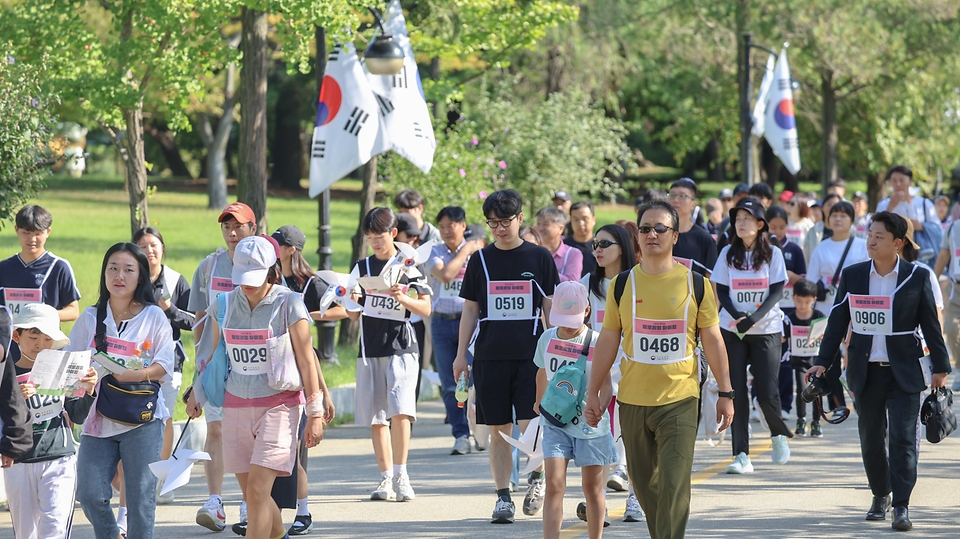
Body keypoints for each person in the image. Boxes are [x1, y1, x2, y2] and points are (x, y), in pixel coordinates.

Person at [586, 199, 734, 539]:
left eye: (660, 228)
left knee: (674, 483)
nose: (652, 234)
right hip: (633, 400)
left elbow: (713, 341)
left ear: (675, 236)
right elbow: (608, 340)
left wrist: (726, 393)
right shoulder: (622, 284)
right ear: (637, 236)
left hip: (681, 399)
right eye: (645, 229)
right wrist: (593, 392)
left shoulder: (696, 284)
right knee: (646, 485)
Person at [806, 212, 949, 532]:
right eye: (869, 233)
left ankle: (901, 505)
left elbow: (930, 324)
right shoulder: (853, 275)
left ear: (897, 244)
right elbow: (837, 321)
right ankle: (879, 494)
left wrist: (941, 367)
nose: (871, 239)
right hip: (865, 370)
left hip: (906, 372)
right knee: (870, 439)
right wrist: (822, 360)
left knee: (902, 440)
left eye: (879, 235)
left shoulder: (916, 276)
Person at [188, 236, 324, 539]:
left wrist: (314, 413)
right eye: (242, 277)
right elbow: (208, 356)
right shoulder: (223, 304)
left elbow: (306, 360)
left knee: (260, 490)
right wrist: (197, 393)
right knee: (254, 496)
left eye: (255, 277)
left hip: (281, 405)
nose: (246, 285)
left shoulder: (289, 303)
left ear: (271, 271)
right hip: (236, 406)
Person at [453, 189, 560, 524]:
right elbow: (470, 310)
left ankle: (537, 478)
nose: (500, 229)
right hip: (489, 357)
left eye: (506, 222)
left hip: (533, 358)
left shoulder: (540, 259)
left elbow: (550, 309)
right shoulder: (480, 260)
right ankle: (502, 497)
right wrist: (461, 356)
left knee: (532, 426)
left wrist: (557, 353)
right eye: (493, 223)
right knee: (498, 431)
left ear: (520, 219)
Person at [71, 243, 176, 539]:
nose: (119, 275)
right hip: (97, 418)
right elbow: (71, 359)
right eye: (113, 268)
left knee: (141, 502)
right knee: (90, 495)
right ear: (104, 273)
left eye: (129, 270)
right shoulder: (91, 317)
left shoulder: (154, 316)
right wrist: (81, 379)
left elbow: (165, 366)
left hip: (142, 420)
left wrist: (137, 374)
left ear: (140, 276)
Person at [346, 207, 432, 503]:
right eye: (370, 238)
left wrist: (403, 297)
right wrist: (354, 300)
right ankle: (384, 479)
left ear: (393, 233)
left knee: (400, 412)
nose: (375, 243)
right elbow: (352, 314)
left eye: (379, 237)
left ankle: (401, 474)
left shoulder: (408, 263)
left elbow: (426, 308)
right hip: (370, 349)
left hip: (402, 347)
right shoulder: (362, 267)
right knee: (377, 416)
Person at [185, 201, 258, 532]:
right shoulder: (209, 266)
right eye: (227, 227)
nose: (232, 232)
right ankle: (215, 502)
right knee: (215, 429)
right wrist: (200, 366)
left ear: (252, 229)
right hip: (215, 363)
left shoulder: (262, 263)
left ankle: (248, 501)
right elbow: (199, 317)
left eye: (238, 226)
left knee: (246, 434)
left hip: (251, 365)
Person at [711, 197, 793, 473]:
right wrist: (737, 318)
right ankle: (741, 455)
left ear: (760, 224)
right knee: (736, 394)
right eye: (737, 219)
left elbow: (777, 291)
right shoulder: (726, 253)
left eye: (747, 219)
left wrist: (754, 319)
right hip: (733, 330)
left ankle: (777, 435)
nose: (741, 223)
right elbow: (721, 290)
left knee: (767, 392)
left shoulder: (774, 253)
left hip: (767, 329)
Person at [5, 304, 97, 539]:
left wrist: (89, 390)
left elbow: (76, 414)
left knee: (54, 530)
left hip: (59, 458)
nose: (39, 345)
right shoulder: (6, 375)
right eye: (33, 336)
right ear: (17, 336)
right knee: (26, 534)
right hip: (19, 462)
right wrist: (16, 397)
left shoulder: (62, 368)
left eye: (47, 339)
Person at [271, 225, 339, 536]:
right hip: (272, 369)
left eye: (279, 242)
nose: (274, 246)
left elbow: (343, 310)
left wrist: (308, 315)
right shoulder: (267, 279)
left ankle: (303, 511)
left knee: (295, 452)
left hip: (300, 366)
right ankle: (257, 510)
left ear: (292, 249)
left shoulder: (308, 283)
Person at [536, 281, 617, 539]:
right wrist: (539, 401)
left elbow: (607, 385)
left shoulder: (597, 341)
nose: (566, 325)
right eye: (560, 318)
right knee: (554, 485)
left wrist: (601, 408)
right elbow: (541, 371)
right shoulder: (547, 338)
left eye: (572, 317)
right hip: (555, 424)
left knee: (592, 489)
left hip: (589, 426)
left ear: (587, 312)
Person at [580, 224, 641, 521]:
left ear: (623, 247)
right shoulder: (586, 284)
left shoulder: (638, 282)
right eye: (595, 244)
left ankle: (635, 500)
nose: (598, 249)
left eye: (605, 243)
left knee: (632, 439)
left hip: (633, 372)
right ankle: (598, 505)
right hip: (597, 375)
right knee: (599, 440)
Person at [132, 227, 193, 504]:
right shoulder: (129, 277)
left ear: (163, 248)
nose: (149, 251)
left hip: (169, 361)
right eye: (143, 246)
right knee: (135, 416)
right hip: (133, 359)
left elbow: (194, 322)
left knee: (164, 416)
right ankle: (135, 478)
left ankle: (162, 478)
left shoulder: (176, 280)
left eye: (154, 245)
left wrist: (169, 309)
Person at [428, 206, 481, 455]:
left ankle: (480, 430)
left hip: (469, 321)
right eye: (442, 227)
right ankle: (460, 435)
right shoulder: (435, 251)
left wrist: (472, 249)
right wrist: (465, 250)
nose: (447, 231)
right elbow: (446, 275)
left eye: (452, 225)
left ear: (463, 225)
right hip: (441, 322)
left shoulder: (479, 253)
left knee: (474, 381)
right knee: (450, 384)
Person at [0, 205, 81, 364]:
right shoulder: (4, 268)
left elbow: (73, 310)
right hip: (8, 347)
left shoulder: (59, 267)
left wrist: (39, 317)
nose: (32, 239)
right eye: (26, 233)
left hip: (44, 348)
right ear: (16, 230)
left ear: (48, 232)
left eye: (38, 234)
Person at [767, 206, 807, 420]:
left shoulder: (795, 250)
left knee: (786, 361)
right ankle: (761, 401)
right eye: (773, 226)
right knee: (766, 360)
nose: (778, 231)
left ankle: (786, 404)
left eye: (782, 227)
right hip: (766, 311)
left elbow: (804, 282)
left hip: (790, 311)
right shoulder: (760, 250)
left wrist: (790, 276)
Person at [782, 279, 826, 437]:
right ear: (793, 297)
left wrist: (823, 337)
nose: (802, 305)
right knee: (802, 389)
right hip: (799, 361)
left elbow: (828, 338)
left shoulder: (819, 317)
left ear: (814, 300)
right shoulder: (789, 318)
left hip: (816, 361)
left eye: (807, 301)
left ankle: (816, 422)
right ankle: (801, 419)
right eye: (799, 301)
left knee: (817, 390)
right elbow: (782, 338)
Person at [807, 201, 868, 314]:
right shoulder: (820, 248)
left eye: (843, 216)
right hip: (825, 310)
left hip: (856, 309)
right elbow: (811, 280)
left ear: (852, 221)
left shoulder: (863, 246)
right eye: (834, 215)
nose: (838, 219)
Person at [876, 165, 941, 266]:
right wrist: (891, 206)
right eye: (894, 180)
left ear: (910, 182)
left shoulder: (924, 203)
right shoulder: (884, 204)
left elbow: (938, 230)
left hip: (920, 255)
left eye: (902, 180)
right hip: (890, 252)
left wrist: (921, 226)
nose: (898, 184)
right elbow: (875, 227)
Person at [668, 178, 718, 278]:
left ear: (693, 205)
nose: (676, 200)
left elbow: (711, 280)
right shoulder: (658, 233)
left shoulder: (704, 239)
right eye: (672, 195)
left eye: (682, 196)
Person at [537, 206, 583, 282]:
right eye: (538, 224)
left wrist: (547, 271)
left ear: (561, 229)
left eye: (545, 224)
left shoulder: (573, 254)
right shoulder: (532, 251)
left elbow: (573, 285)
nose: (540, 228)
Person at [565, 201, 598, 277]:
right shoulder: (563, 247)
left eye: (585, 219)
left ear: (594, 220)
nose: (580, 224)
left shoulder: (600, 247)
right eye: (576, 219)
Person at [783, 192, 815, 262]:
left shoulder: (809, 225)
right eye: (788, 202)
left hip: (802, 261)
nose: (789, 205)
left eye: (792, 203)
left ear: (801, 206)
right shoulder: (783, 221)